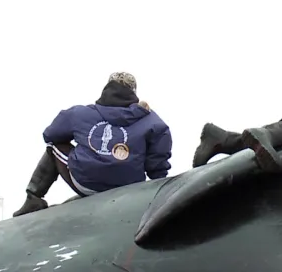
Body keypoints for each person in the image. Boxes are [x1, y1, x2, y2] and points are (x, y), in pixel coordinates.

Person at [12, 72, 174, 217]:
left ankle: (33, 198)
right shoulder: (152, 121)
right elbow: (157, 164)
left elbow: (49, 135)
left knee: (54, 146)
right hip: (129, 189)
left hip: (86, 184)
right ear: (134, 93)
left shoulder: (80, 113)